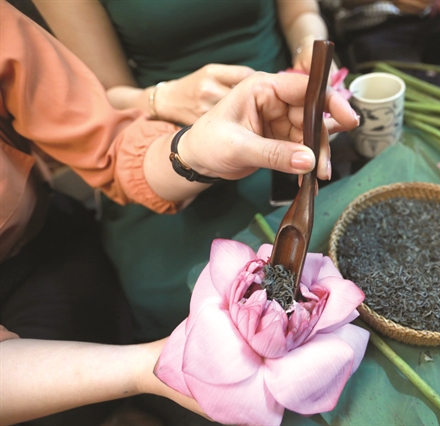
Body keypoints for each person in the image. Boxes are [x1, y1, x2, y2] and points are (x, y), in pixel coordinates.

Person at [0, 2, 358, 424]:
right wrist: (164, 99)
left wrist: (191, 153)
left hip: (243, 126)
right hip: (159, 125)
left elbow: (110, 145)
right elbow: (106, 105)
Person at [32, 0, 344, 342]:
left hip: (279, 117)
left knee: (334, 259)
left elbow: (300, 13)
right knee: (188, 303)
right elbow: (102, 99)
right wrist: (163, 98)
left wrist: (307, 47)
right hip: (160, 138)